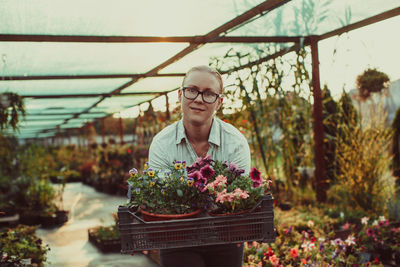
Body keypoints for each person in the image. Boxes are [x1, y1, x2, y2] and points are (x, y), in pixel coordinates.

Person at [148, 65, 251, 267]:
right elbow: (159, 199)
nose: (199, 99)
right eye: (192, 90)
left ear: (219, 102)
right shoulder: (162, 144)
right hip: (177, 237)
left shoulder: (235, 142)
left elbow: (240, 198)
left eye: (209, 94)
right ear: (180, 94)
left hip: (225, 236)